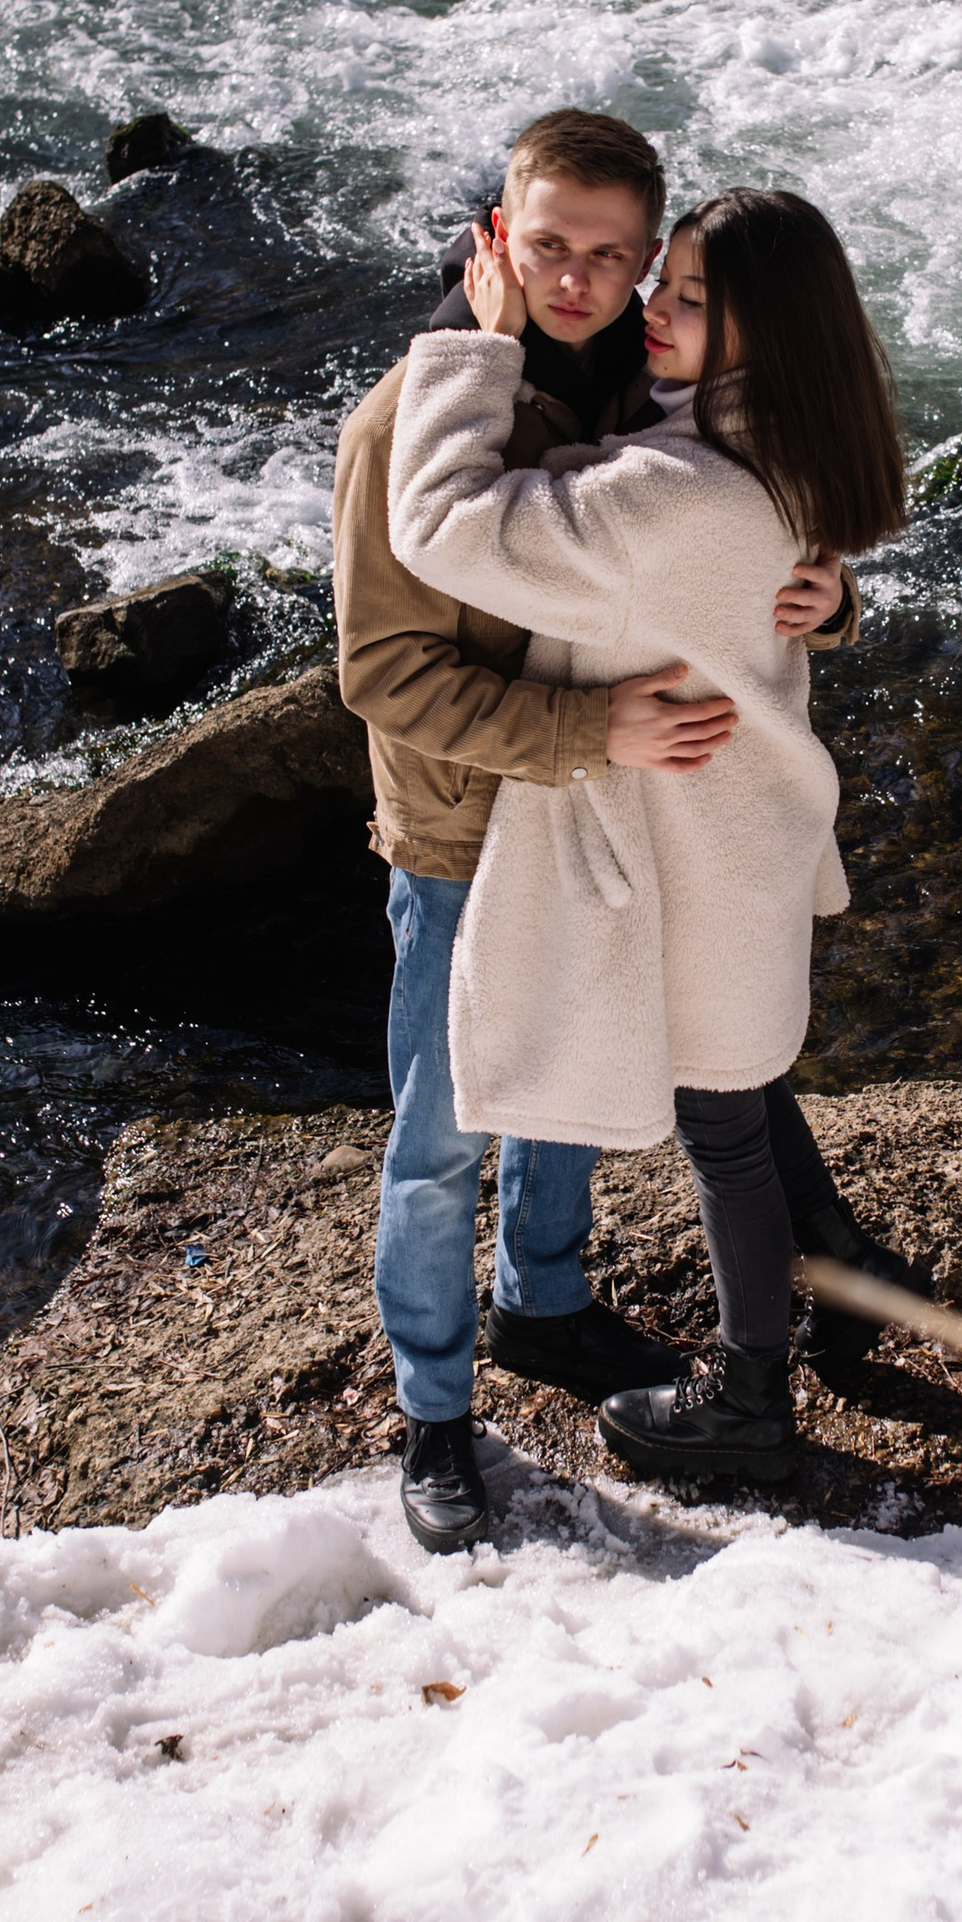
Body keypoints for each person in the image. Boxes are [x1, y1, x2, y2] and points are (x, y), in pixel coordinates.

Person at [334, 110, 854, 1555]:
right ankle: (436, 1413)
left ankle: (544, 1307)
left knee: (568, 1085)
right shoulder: (403, 418)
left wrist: (822, 587)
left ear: (643, 266)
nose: (577, 279)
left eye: (614, 257)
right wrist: (587, 735)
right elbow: (379, 673)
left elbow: (738, 515)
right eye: (549, 245)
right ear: (497, 235)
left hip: (594, 824)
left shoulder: (642, 375)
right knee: (444, 1137)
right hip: (464, 825)